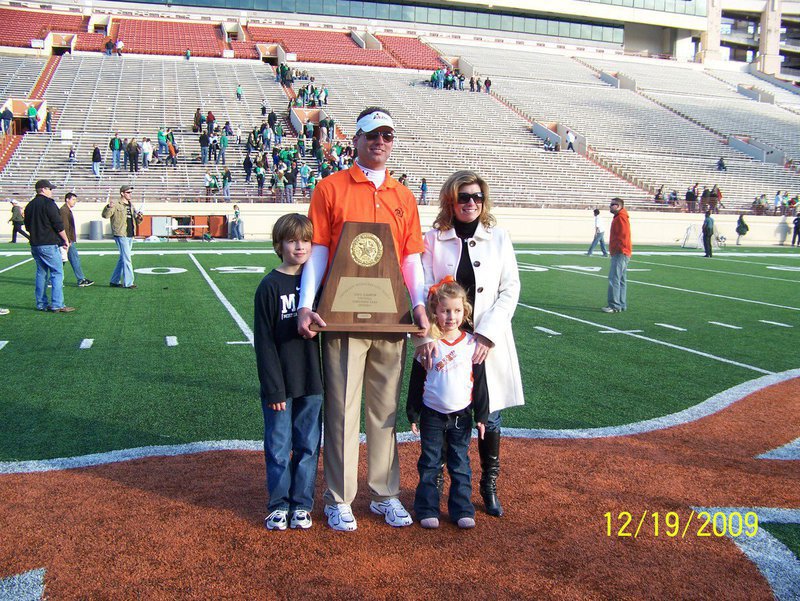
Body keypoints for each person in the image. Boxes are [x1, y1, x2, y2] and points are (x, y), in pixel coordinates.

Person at [297, 106, 429, 532]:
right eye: (372, 135)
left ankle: (384, 493)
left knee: (385, 411)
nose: (380, 142)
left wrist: (421, 302)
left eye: (387, 136)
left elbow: (410, 257)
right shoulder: (330, 187)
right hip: (340, 319)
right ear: (354, 139)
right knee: (341, 411)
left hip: (391, 320)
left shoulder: (403, 196)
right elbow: (318, 250)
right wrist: (307, 302)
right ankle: (339, 497)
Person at [417, 169, 523, 517]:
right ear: (451, 199)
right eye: (463, 197)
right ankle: (435, 491)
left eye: (477, 197)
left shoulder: (498, 237)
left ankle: (488, 485)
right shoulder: (433, 238)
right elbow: (423, 288)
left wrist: (487, 334)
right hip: (444, 340)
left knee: (488, 416)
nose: (471, 203)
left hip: (486, 344)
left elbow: (510, 289)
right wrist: (431, 334)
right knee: (442, 410)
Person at [255, 213, 323, 531]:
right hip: (281, 384)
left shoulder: (317, 284)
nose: (300, 246)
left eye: (306, 240)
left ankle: (302, 504)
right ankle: (279, 504)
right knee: (279, 447)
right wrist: (273, 388)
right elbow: (264, 343)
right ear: (278, 244)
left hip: (312, 380)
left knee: (308, 446)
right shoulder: (269, 286)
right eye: (292, 240)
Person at [407, 277, 488, 530]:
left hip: (461, 415)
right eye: (445, 311)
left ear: (464, 311)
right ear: (435, 311)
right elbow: (416, 380)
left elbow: (481, 383)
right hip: (432, 414)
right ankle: (427, 508)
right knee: (430, 462)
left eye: (456, 310)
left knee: (460, 464)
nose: (451, 316)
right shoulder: (428, 344)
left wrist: (482, 416)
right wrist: (413, 413)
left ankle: (462, 508)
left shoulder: (472, 343)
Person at [23, 180, 74, 312]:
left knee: (41, 273)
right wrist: (65, 239)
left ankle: (41, 303)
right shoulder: (49, 204)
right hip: (49, 243)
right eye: (50, 189)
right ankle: (57, 304)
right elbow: (58, 224)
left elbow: (27, 225)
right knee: (57, 273)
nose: (51, 191)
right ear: (43, 189)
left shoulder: (30, 205)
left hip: (35, 244)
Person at [102, 185, 142, 289]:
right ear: (122, 193)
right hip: (121, 233)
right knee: (127, 258)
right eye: (128, 192)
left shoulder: (131, 205)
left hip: (129, 233)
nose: (130, 194)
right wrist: (108, 207)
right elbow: (105, 215)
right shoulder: (116, 204)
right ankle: (129, 283)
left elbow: (136, 221)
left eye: (131, 192)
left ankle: (114, 280)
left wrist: (139, 217)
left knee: (123, 258)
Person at [603, 198, 631, 313]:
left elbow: (623, 236)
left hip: (620, 252)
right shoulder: (620, 217)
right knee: (621, 280)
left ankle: (614, 305)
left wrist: (618, 249)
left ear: (618, 206)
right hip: (623, 252)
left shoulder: (620, 218)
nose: (610, 207)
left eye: (612, 205)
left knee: (614, 279)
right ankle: (621, 304)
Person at [59, 192, 94, 287]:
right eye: (73, 199)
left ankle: (80, 279)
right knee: (64, 260)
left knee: (71, 259)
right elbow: (64, 227)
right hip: (67, 240)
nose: (75, 202)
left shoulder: (66, 210)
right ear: (67, 199)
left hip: (68, 239)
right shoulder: (64, 210)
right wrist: (67, 240)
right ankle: (79, 279)